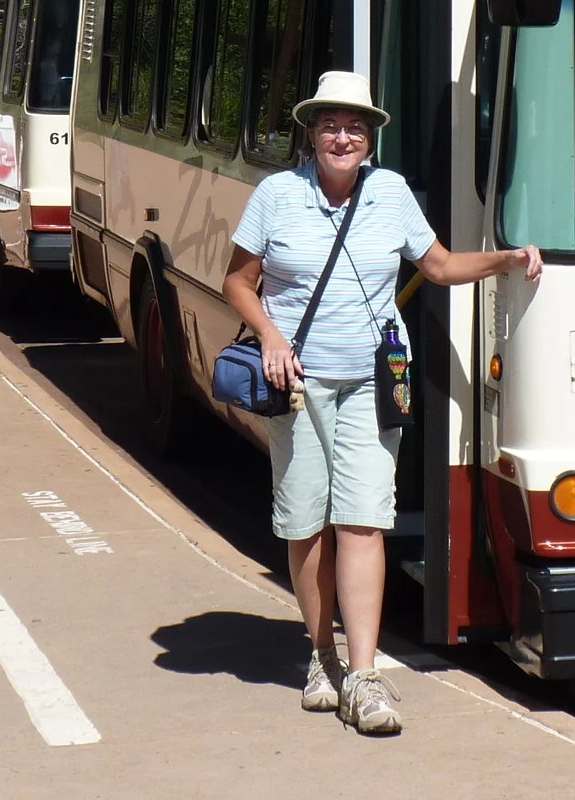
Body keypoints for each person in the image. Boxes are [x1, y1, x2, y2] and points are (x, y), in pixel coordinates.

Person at [223, 70, 543, 736]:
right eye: (331, 125)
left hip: (375, 380)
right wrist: (271, 334)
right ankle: (321, 655)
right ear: (311, 132)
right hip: (299, 383)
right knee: (307, 522)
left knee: (363, 519)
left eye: (356, 127)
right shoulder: (277, 196)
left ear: (371, 138)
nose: (343, 137)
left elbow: (440, 266)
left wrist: (507, 257)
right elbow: (238, 279)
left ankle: (364, 676)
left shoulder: (390, 193)